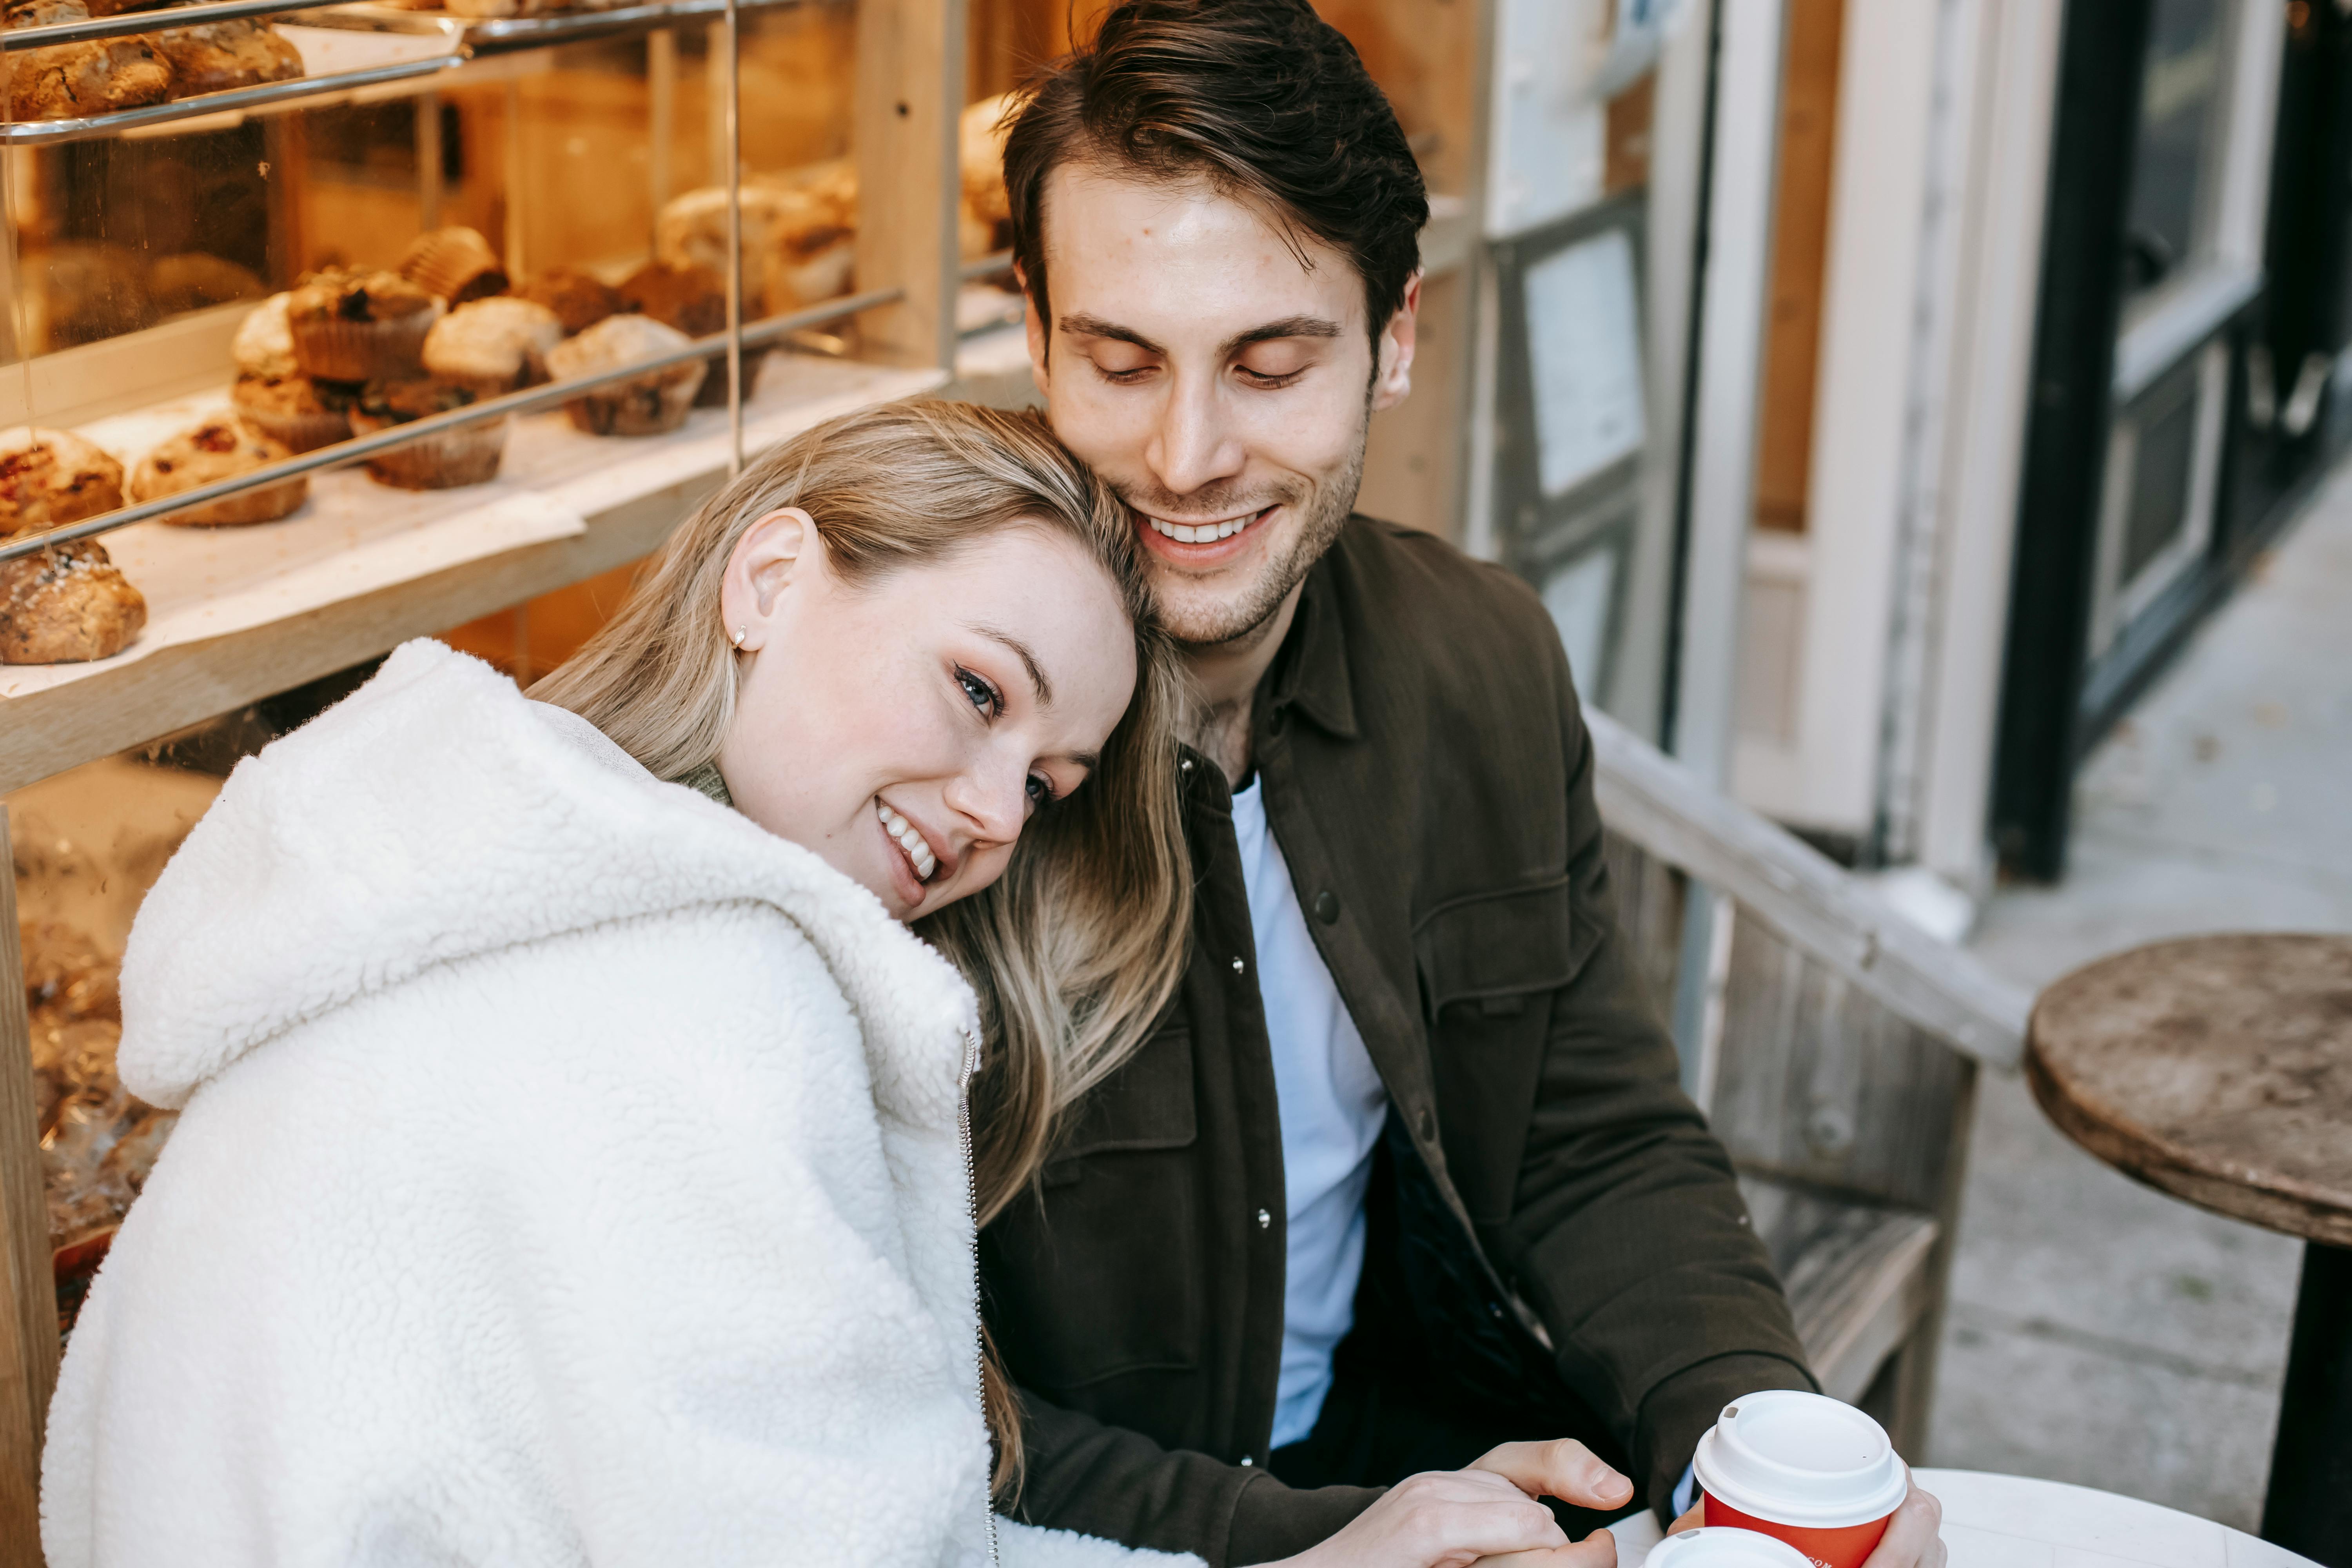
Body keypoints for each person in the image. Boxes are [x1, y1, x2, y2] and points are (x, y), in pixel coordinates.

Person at [36, 401, 1637, 1568]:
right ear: (769, 579)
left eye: (1054, 781)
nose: (1001, 815)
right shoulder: (699, 1004)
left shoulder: (447, 875)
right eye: (975, 689)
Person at [977, 6, 1948, 1568]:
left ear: (1399, 340)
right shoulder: (927, 742)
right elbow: (883, 1370)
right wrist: (1333, 1542)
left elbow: (1596, 1130)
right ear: (1033, 330)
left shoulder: (1483, 655)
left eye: (1272, 365)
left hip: (1415, 1455)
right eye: (1119, 359)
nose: (1186, 452)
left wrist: (1748, 1444)